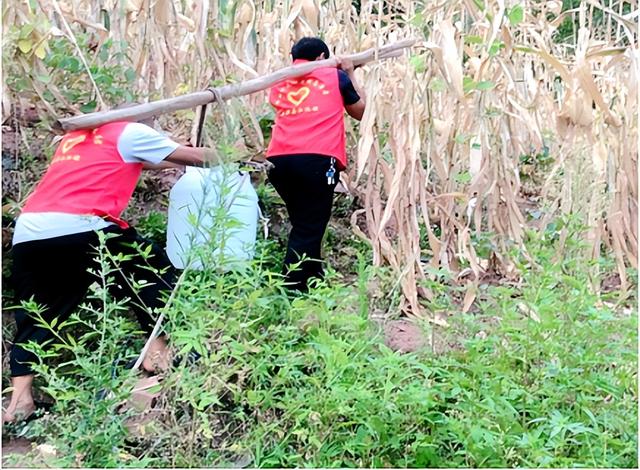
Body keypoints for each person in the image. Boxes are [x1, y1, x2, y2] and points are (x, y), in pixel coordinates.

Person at [3, 115, 222, 423]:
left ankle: (19, 403)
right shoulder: (131, 131)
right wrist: (233, 156)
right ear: (147, 121)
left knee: (38, 313)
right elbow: (194, 157)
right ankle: (157, 355)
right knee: (151, 268)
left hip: (30, 233)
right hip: (82, 224)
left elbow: (140, 162)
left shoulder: (77, 139)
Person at [266, 37, 366, 291]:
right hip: (318, 161)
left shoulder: (279, 82)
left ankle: (314, 279)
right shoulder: (336, 78)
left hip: (279, 163)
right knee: (310, 225)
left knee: (304, 222)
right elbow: (361, 112)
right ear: (322, 56)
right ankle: (291, 289)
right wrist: (350, 72)